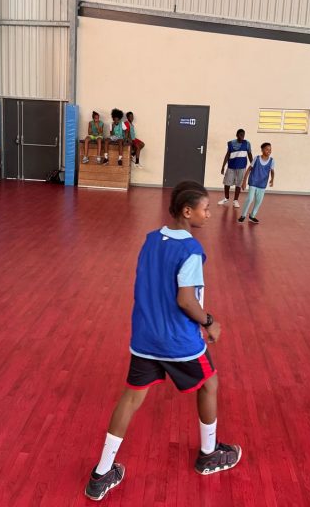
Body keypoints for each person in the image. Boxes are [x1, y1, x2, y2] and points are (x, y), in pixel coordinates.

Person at [84, 181, 241, 502]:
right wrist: (209, 322)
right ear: (187, 211)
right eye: (205, 208)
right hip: (178, 341)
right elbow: (186, 300)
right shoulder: (191, 250)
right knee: (210, 384)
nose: (209, 214)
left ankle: (101, 473)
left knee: (131, 398)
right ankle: (209, 454)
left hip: (145, 337)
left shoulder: (151, 239)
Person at [239, 142, 275, 224]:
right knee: (250, 199)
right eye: (267, 149)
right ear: (262, 150)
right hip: (253, 182)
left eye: (270, 149)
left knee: (258, 201)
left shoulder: (272, 161)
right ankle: (243, 215)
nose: (269, 151)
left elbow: (272, 171)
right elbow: (249, 169)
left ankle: (252, 216)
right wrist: (244, 181)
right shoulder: (257, 158)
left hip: (262, 184)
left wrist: (272, 179)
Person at [219, 129, 252, 208]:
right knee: (227, 183)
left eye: (243, 135)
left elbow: (250, 155)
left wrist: (253, 165)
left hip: (241, 167)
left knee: (238, 184)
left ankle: (235, 200)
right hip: (231, 167)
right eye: (240, 135)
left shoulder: (247, 144)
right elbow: (227, 155)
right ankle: (226, 198)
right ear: (237, 135)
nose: (242, 136)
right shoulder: (231, 143)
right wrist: (223, 166)